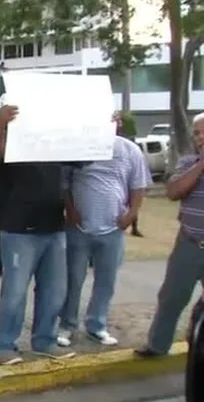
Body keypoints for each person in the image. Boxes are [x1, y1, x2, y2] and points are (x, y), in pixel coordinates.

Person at [0, 101, 75, 365]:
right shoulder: (13, 138)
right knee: (15, 291)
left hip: (54, 226)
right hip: (19, 229)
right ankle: (4, 346)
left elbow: (87, 155)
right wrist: (0, 122)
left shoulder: (56, 142)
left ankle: (44, 341)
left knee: (53, 290)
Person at [57, 130, 151, 348]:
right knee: (73, 279)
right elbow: (64, 184)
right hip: (79, 227)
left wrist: (131, 214)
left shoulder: (129, 149)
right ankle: (67, 325)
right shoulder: (78, 147)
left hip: (112, 228)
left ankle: (97, 325)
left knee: (106, 281)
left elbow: (139, 186)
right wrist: (70, 210)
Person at [136, 113, 204, 359]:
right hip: (189, 243)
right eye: (196, 133)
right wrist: (201, 163)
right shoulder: (188, 163)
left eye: (203, 132)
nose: (199, 137)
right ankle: (157, 346)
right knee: (172, 297)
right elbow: (174, 192)